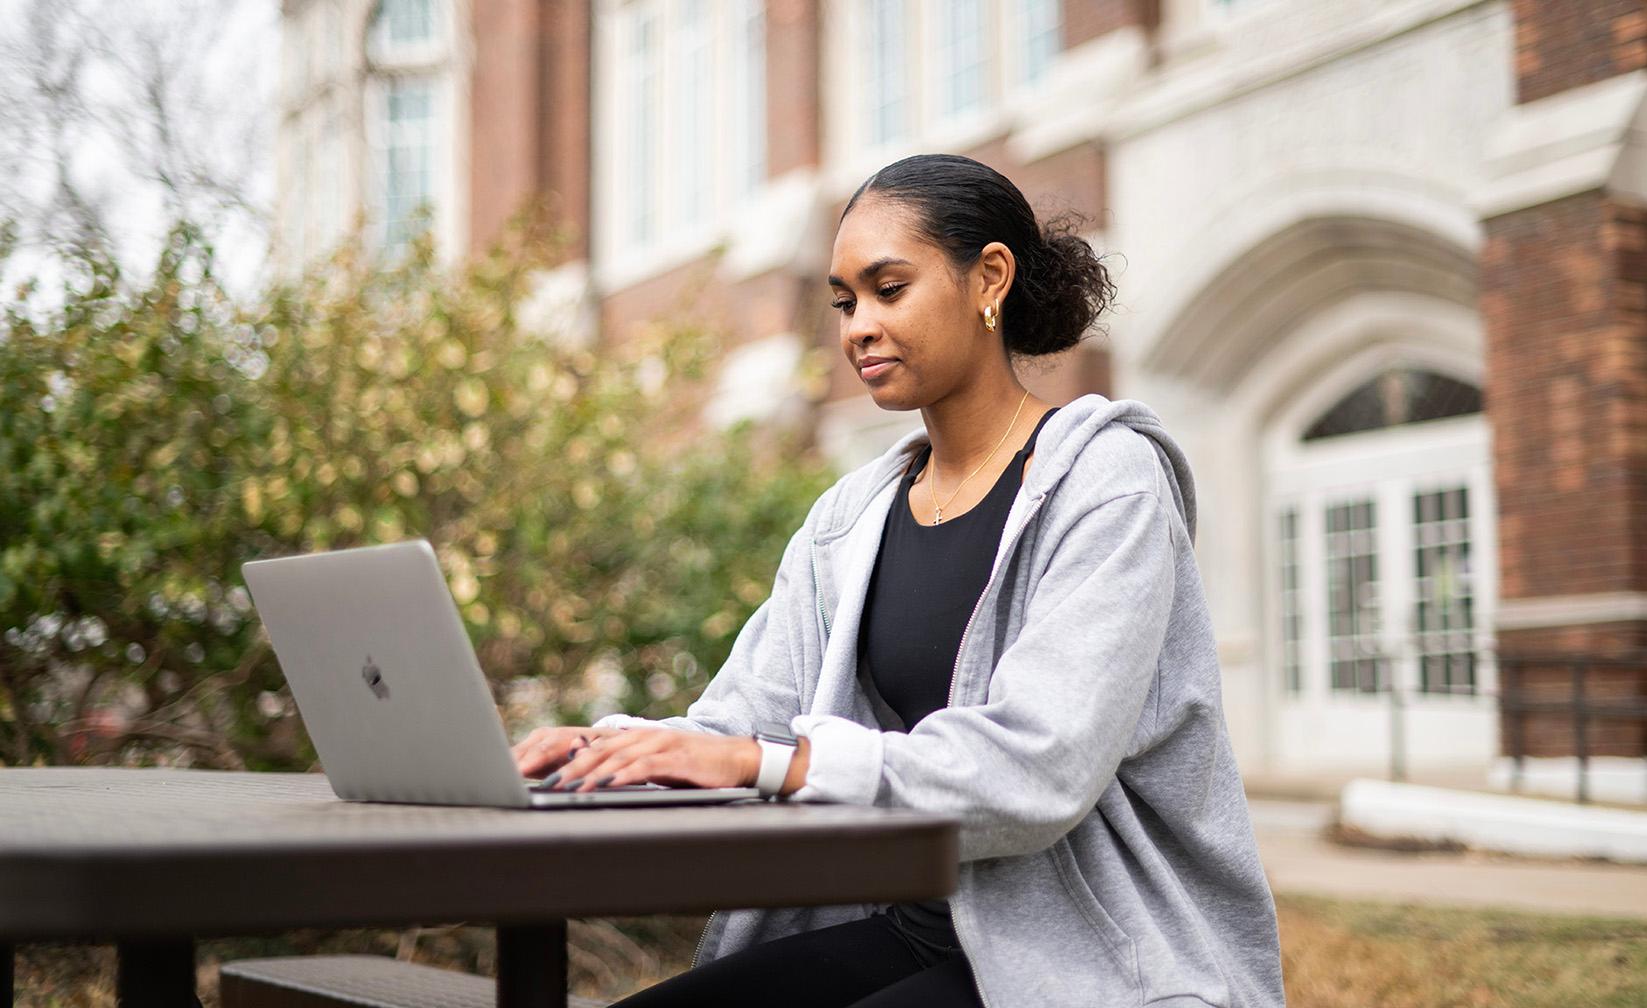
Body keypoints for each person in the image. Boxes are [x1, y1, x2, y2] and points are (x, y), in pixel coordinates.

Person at [512, 153, 1286, 1008]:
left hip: (1090, 955)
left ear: (990, 278)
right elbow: (744, 722)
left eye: (889, 288)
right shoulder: (852, 518)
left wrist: (766, 760)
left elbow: (1041, 769)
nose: (856, 327)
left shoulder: (1107, 483)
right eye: (845, 301)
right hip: (913, 933)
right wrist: (607, 750)